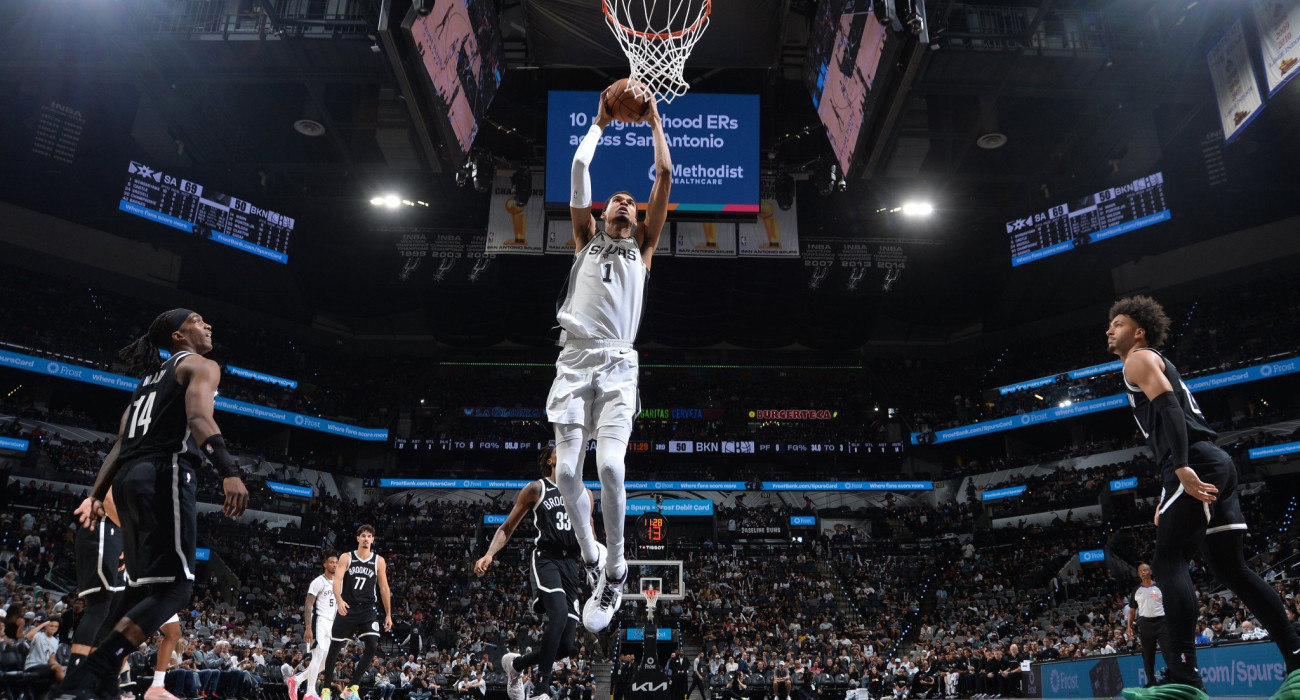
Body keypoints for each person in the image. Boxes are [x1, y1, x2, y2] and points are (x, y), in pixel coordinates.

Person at [1107, 296, 1300, 700]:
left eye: (1118, 324)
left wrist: (1179, 467)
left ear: (1139, 332)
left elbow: (1171, 410)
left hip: (1192, 461)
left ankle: (1184, 677)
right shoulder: (1152, 361)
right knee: (1232, 569)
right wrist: (1170, 486)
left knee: (1167, 561)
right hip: (1213, 461)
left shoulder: (1137, 360)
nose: (1110, 330)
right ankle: (1297, 659)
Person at [56, 309, 249, 700]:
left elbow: (120, 445)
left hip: (128, 480)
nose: (208, 325)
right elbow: (199, 417)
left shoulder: (145, 383)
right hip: (165, 473)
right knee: (176, 589)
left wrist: (96, 494)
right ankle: (93, 671)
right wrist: (229, 469)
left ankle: (99, 687)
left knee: (138, 590)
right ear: (178, 336)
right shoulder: (200, 365)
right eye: (197, 320)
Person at [550, 85, 673, 632]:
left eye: (631, 200)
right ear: (601, 214)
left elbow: (663, 175)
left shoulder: (643, 248)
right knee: (567, 475)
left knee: (610, 467)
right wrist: (600, 123)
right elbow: (579, 167)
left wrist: (654, 122)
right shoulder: (585, 238)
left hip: (620, 364)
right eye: (616, 199)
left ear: (639, 216)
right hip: (574, 360)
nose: (625, 201)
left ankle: (617, 570)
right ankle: (591, 555)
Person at [476, 446, 595, 700]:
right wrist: (489, 554)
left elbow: (592, 538)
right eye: (560, 449)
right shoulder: (537, 489)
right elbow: (507, 527)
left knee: (568, 646)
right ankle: (541, 691)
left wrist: (600, 567)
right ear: (550, 460)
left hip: (571, 564)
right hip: (547, 559)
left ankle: (517, 665)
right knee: (558, 614)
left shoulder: (585, 494)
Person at [324, 525, 392, 689]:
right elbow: (337, 581)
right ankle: (325, 688)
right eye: (363, 536)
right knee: (335, 647)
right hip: (348, 606)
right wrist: (339, 600)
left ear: (372, 540)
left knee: (373, 644)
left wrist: (388, 614)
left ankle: (352, 687)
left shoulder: (379, 561)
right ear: (358, 538)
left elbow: (384, 588)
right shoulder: (346, 557)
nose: (366, 539)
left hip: (367, 609)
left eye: (369, 536)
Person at [70, 489, 125, 670]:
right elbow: (108, 499)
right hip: (103, 528)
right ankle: (74, 674)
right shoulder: (125, 471)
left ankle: (91, 675)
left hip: (119, 536)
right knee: (99, 607)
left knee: (112, 613)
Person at [289, 549, 340, 700]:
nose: (334, 565)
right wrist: (308, 627)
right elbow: (308, 605)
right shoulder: (318, 582)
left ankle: (296, 679)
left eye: (336, 562)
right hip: (319, 621)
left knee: (326, 662)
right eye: (331, 562)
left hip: (332, 624)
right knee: (317, 656)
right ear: (325, 564)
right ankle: (310, 692)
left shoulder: (339, 583)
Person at [1126, 563, 1169, 687]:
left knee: (1168, 651)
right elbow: (1132, 611)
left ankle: (1174, 677)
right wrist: (1128, 627)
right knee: (1147, 654)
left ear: (1150, 572)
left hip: (1162, 622)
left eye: (1145, 570)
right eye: (1140, 571)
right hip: (1145, 624)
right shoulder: (1136, 590)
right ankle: (1151, 681)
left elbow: (1169, 605)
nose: (1143, 572)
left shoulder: (1160, 586)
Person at [25, 618, 65, 685]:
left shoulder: (55, 641)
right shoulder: (38, 635)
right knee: (57, 668)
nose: (53, 628)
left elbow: (51, 660)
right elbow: (28, 637)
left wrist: (60, 666)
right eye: (51, 626)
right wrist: (43, 624)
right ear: (46, 626)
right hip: (33, 665)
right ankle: (66, 688)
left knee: (62, 669)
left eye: (56, 627)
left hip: (45, 667)